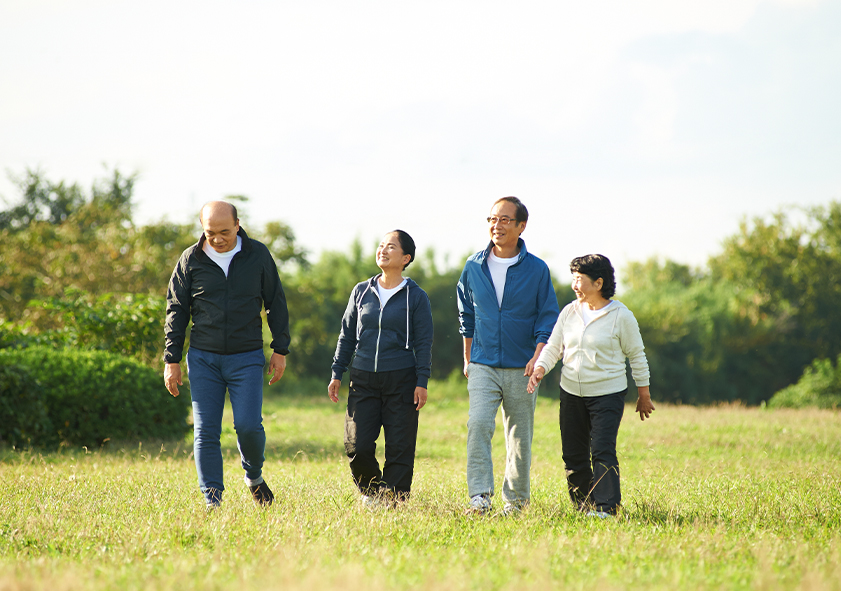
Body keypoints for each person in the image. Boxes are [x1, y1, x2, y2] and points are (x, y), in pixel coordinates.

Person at [163, 201, 290, 508]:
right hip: (203, 358)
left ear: (237, 224)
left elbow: (275, 302)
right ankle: (212, 500)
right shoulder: (190, 259)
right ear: (202, 229)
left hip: (246, 357)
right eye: (211, 233)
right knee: (206, 431)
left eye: (224, 232)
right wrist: (171, 359)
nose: (218, 239)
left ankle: (254, 476)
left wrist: (280, 349)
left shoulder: (257, 255)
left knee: (249, 426)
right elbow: (176, 310)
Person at [528, 254, 655, 518]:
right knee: (573, 454)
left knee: (602, 450)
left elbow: (637, 355)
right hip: (571, 392)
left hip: (607, 394)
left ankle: (607, 507)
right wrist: (540, 368)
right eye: (573, 278)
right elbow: (554, 347)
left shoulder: (621, 316)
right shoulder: (570, 312)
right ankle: (584, 506)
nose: (574, 285)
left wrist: (643, 393)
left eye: (579, 279)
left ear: (599, 283)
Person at [457, 197, 560, 516]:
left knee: (519, 436)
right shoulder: (473, 266)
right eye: (492, 219)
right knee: (478, 424)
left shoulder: (537, 269)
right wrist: (468, 358)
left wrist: (538, 357)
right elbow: (466, 315)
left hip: (522, 366)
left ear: (521, 226)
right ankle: (479, 496)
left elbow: (548, 317)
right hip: (483, 364)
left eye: (504, 220)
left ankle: (515, 503)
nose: (496, 226)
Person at [328, 230, 433, 508]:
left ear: (406, 258)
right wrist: (337, 372)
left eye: (391, 247)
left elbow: (424, 342)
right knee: (357, 444)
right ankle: (374, 491)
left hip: (402, 378)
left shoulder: (416, 296)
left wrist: (422, 380)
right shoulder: (361, 291)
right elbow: (346, 335)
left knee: (400, 445)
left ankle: (394, 499)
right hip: (363, 378)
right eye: (381, 245)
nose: (383, 250)